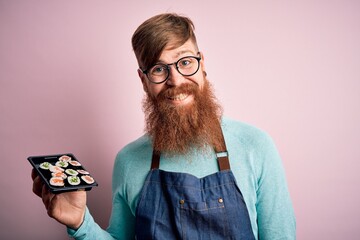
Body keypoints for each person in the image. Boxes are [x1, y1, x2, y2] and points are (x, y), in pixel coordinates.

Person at [32, 13, 296, 239]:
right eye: (159, 69)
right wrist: (80, 223)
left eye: (185, 62)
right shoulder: (128, 161)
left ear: (202, 63)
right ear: (143, 80)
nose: (175, 80)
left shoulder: (255, 146)